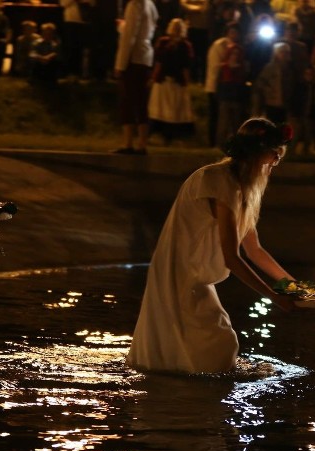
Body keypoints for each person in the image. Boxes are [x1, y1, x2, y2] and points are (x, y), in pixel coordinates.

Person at [127, 117, 296, 374]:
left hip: (197, 276)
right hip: (181, 274)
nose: (274, 164)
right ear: (255, 153)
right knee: (217, 346)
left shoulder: (241, 189)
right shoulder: (218, 180)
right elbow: (232, 257)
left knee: (215, 347)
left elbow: (255, 250)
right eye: (274, 156)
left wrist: (297, 287)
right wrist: (274, 297)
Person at [115, 0, 160, 154]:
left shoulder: (135, 5)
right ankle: (142, 142)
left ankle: (127, 143)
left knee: (127, 100)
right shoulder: (150, 4)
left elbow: (129, 36)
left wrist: (120, 64)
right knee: (142, 101)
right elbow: (151, 27)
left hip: (133, 58)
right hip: (146, 56)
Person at [148, 18, 196, 145]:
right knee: (160, 108)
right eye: (174, 27)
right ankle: (158, 134)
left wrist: (186, 82)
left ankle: (173, 135)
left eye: (178, 28)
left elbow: (186, 66)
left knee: (175, 109)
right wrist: (154, 78)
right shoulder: (163, 42)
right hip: (163, 80)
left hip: (177, 82)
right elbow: (159, 62)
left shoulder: (185, 46)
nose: (176, 30)